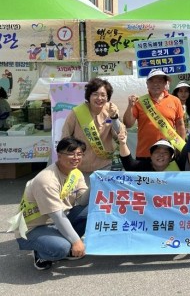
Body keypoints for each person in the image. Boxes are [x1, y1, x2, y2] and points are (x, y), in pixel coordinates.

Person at [8, 137, 89, 270]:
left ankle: (65, 242)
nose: (76, 157)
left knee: (89, 210)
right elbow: (57, 216)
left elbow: (82, 201)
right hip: (32, 227)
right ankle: (41, 253)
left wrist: (96, 185)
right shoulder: (46, 180)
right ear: (59, 155)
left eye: (79, 154)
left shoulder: (75, 173)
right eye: (70, 153)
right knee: (61, 248)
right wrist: (76, 241)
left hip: (55, 221)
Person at [62, 78, 125, 173]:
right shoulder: (77, 112)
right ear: (89, 96)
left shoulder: (111, 110)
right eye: (95, 94)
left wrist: (114, 117)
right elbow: (65, 137)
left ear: (107, 97)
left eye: (103, 95)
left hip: (104, 166)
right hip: (79, 166)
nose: (99, 98)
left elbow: (119, 135)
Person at [123, 69, 186, 160]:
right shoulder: (140, 101)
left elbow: (180, 125)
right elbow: (128, 124)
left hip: (167, 153)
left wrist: (181, 147)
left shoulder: (175, 100)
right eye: (152, 81)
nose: (155, 84)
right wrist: (130, 106)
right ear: (147, 84)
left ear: (165, 83)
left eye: (159, 81)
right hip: (144, 153)